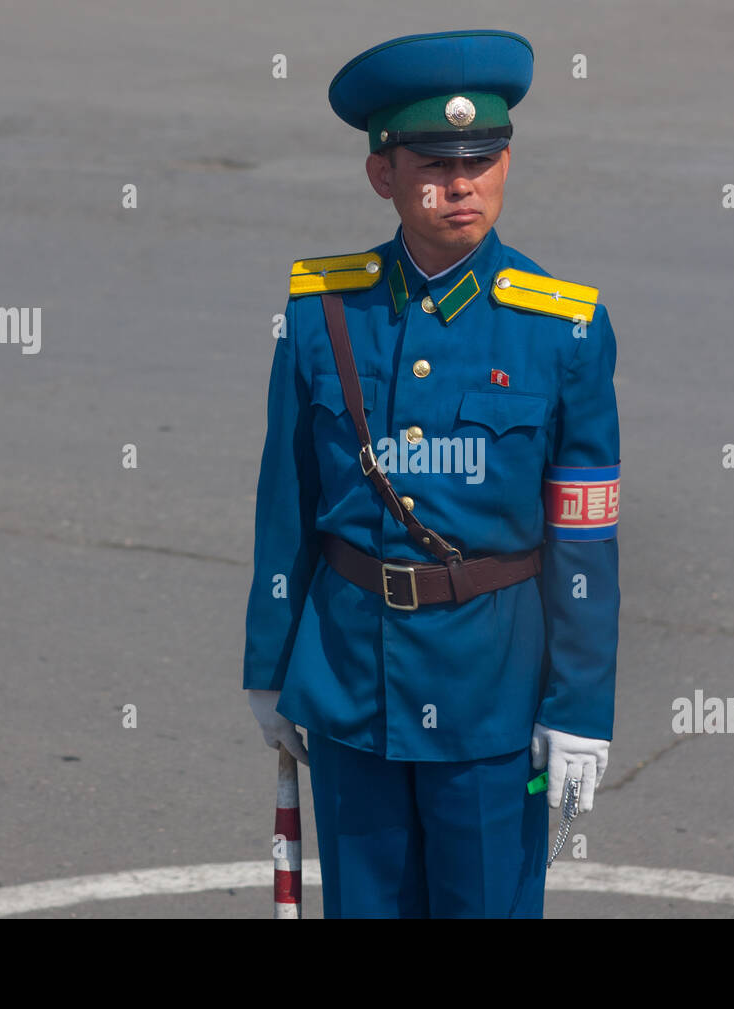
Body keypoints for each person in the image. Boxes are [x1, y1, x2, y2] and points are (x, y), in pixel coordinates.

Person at [242, 29, 621, 918]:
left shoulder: (561, 328)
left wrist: (580, 704)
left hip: (490, 693)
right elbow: (286, 503)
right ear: (383, 174)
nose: (463, 185)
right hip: (350, 685)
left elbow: (585, 536)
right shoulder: (322, 312)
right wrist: (270, 662)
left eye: (483, 161)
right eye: (436, 165)